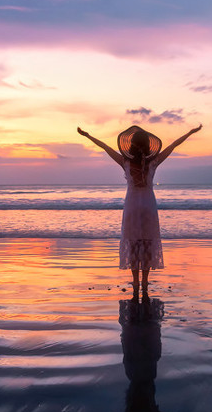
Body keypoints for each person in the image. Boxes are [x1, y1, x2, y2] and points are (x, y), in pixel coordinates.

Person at [77, 123, 201, 296]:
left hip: (132, 207)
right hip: (149, 206)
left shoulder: (125, 162)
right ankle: (144, 281)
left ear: (131, 146)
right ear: (149, 146)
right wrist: (190, 132)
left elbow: (105, 147)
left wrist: (88, 135)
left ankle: (135, 281)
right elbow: (173, 145)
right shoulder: (154, 162)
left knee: (134, 242)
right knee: (148, 242)